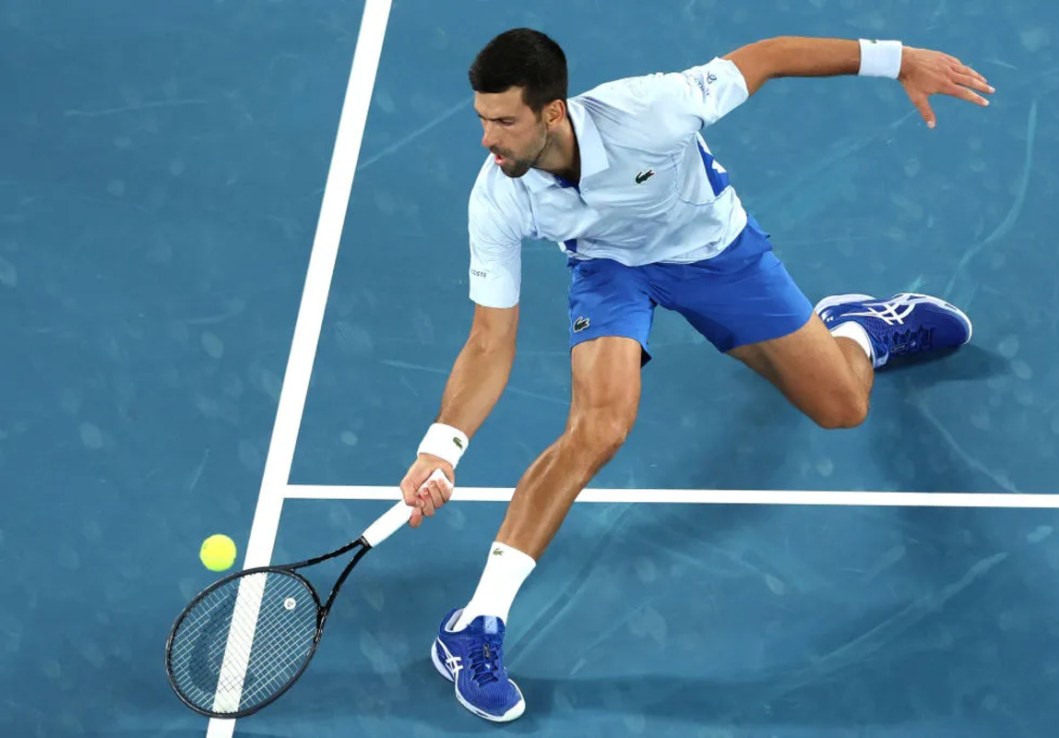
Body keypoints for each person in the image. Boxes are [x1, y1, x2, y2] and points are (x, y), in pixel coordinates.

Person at [397, 28, 993, 722]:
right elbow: (489, 340)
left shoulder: (650, 109)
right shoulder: (500, 195)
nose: (486, 140)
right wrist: (442, 445)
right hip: (609, 271)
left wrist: (898, 61)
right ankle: (477, 623)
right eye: (481, 119)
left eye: (503, 122)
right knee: (598, 430)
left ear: (552, 112)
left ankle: (859, 328)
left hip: (717, 254)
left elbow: (766, 59)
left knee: (842, 408)